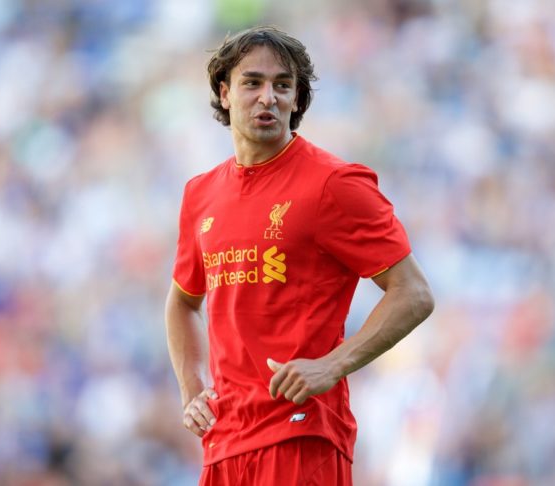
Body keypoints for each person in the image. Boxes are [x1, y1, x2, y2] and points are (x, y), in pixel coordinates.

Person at [164, 25, 434, 485]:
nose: (268, 97)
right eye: (252, 83)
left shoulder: (334, 184)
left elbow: (414, 293)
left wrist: (333, 364)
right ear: (225, 93)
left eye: (282, 85)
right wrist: (193, 390)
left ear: (296, 99)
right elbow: (183, 303)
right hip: (225, 443)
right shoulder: (200, 194)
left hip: (301, 436)